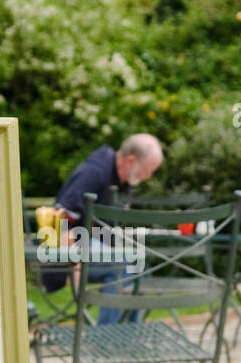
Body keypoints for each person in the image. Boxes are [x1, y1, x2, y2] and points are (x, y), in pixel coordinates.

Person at [46, 134, 164, 324]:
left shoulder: (120, 180)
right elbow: (60, 218)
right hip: (64, 250)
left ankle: (127, 336)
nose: (148, 177)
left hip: (92, 247)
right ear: (130, 160)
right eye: (147, 170)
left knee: (139, 265)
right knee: (124, 264)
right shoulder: (95, 172)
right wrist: (73, 261)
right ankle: (106, 340)